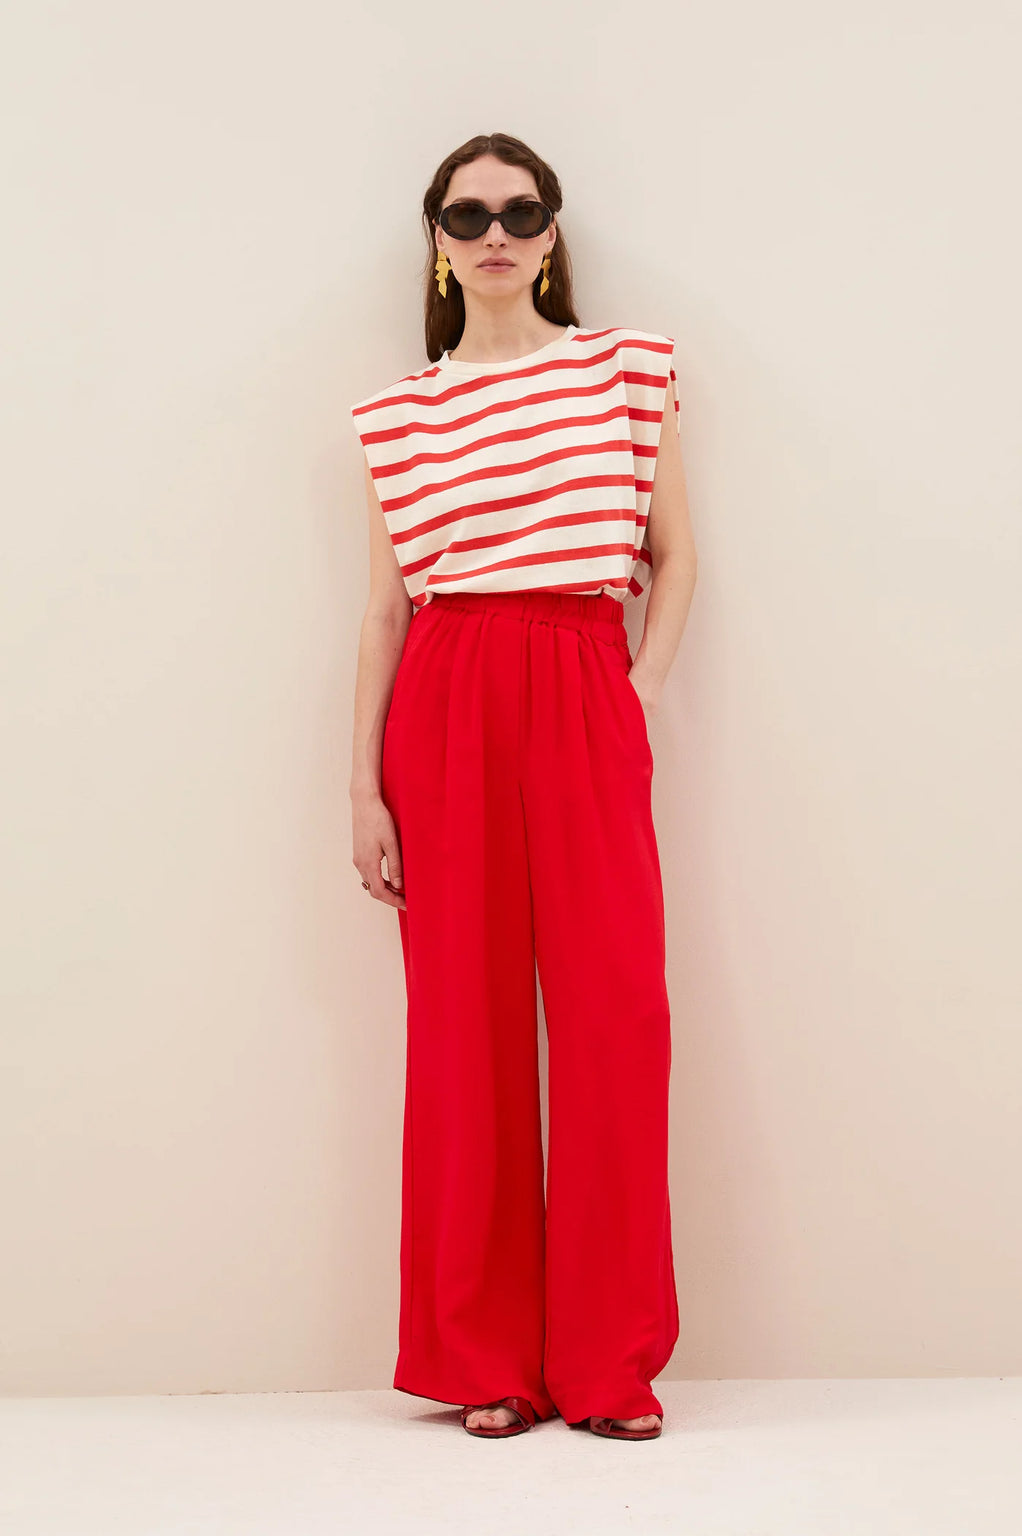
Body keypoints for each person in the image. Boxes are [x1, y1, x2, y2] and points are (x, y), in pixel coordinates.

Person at [349, 132, 698, 1442]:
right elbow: (385, 611)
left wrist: (634, 694)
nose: (493, 232)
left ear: (551, 232)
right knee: (464, 1031)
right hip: (445, 696)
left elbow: (676, 557)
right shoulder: (400, 413)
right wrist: (360, 787)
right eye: (466, 215)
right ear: (438, 241)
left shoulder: (625, 372)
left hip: (582, 673)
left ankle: (608, 1364)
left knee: (615, 1018)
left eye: (518, 210)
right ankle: (485, 1359)